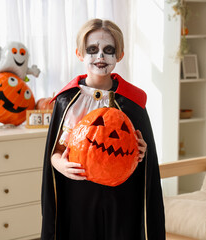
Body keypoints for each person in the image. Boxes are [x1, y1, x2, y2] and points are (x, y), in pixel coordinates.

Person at [41, 18, 165, 240]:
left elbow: (142, 157)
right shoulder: (67, 100)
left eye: (109, 50)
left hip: (121, 196)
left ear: (119, 56)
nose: (100, 57)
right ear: (80, 54)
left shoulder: (132, 101)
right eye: (92, 49)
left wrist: (142, 151)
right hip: (79, 193)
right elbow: (56, 152)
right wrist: (61, 165)